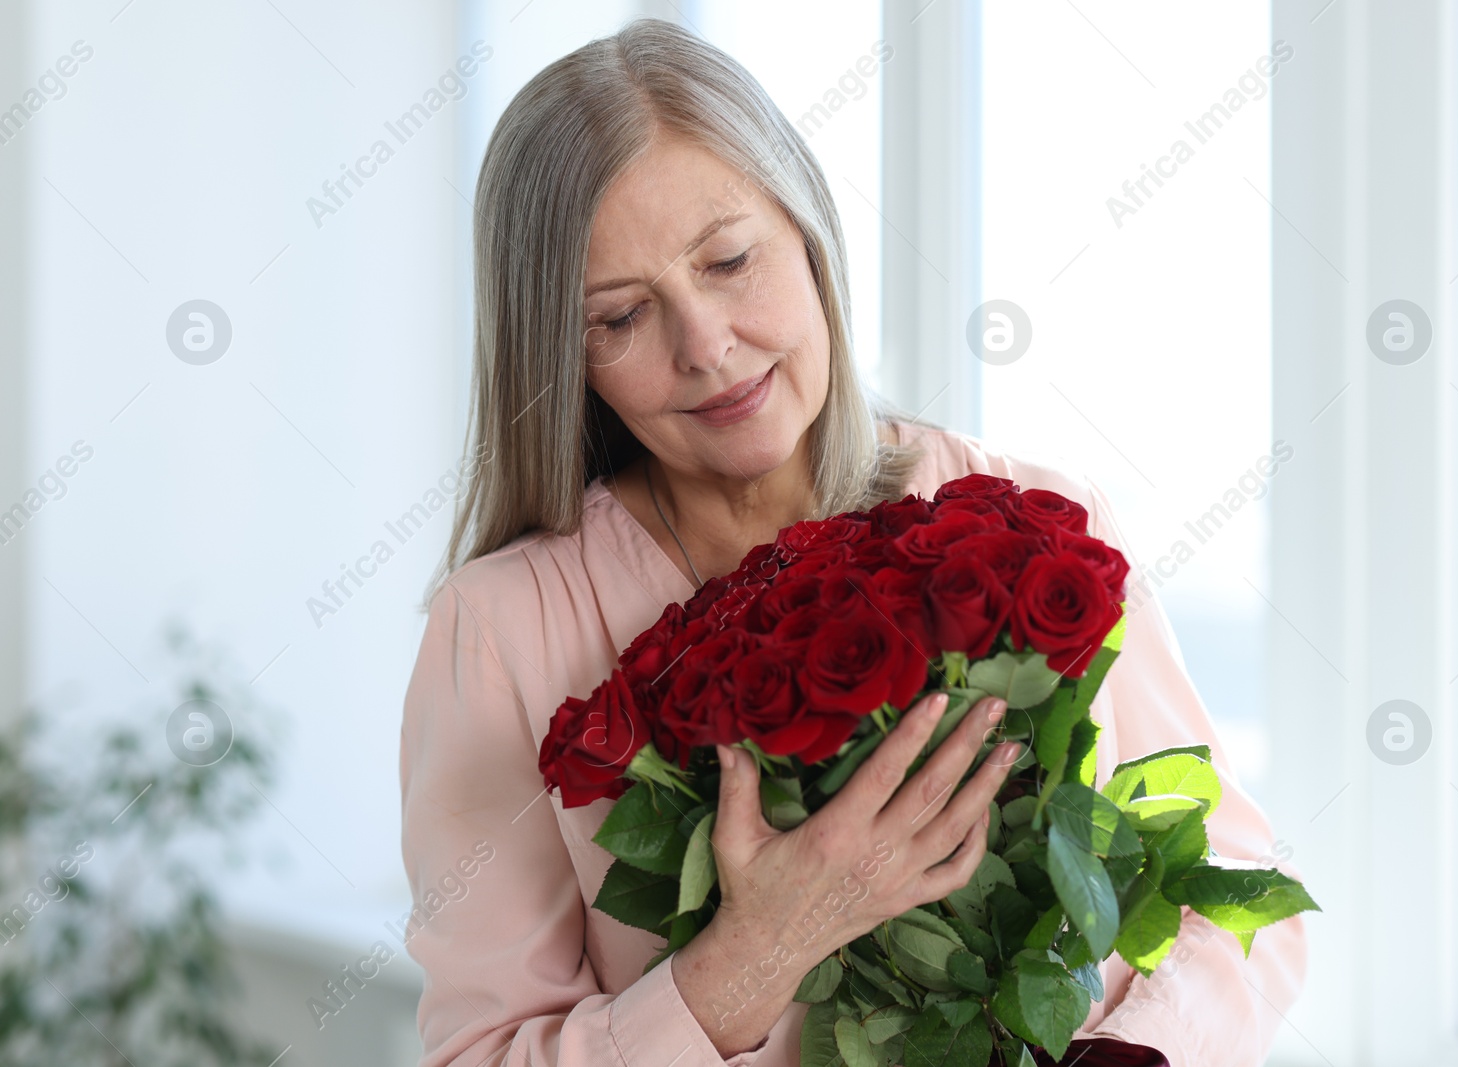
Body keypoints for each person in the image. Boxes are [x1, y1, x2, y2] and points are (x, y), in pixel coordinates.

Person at [397, 17, 1306, 1067]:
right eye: (620, 318)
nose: (707, 346)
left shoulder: (1039, 519)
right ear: (562, 353)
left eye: (730, 259)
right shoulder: (501, 631)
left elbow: (1235, 895)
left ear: (810, 231)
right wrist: (756, 949)